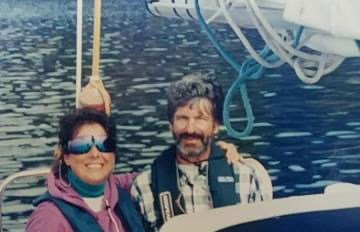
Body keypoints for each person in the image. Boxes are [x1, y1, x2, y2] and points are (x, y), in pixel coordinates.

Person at [131, 73, 273, 231]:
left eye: (200, 118)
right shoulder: (144, 186)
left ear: (215, 126)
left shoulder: (247, 177)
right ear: (170, 125)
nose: (190, 129)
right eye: (182, 118)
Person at [26, 109, 144, 232]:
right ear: (67, 158)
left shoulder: (123, 188)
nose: (94, 154)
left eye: (104, 144)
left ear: (113, 154)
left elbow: (159, 175)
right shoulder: (48, 219)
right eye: (81, 145)